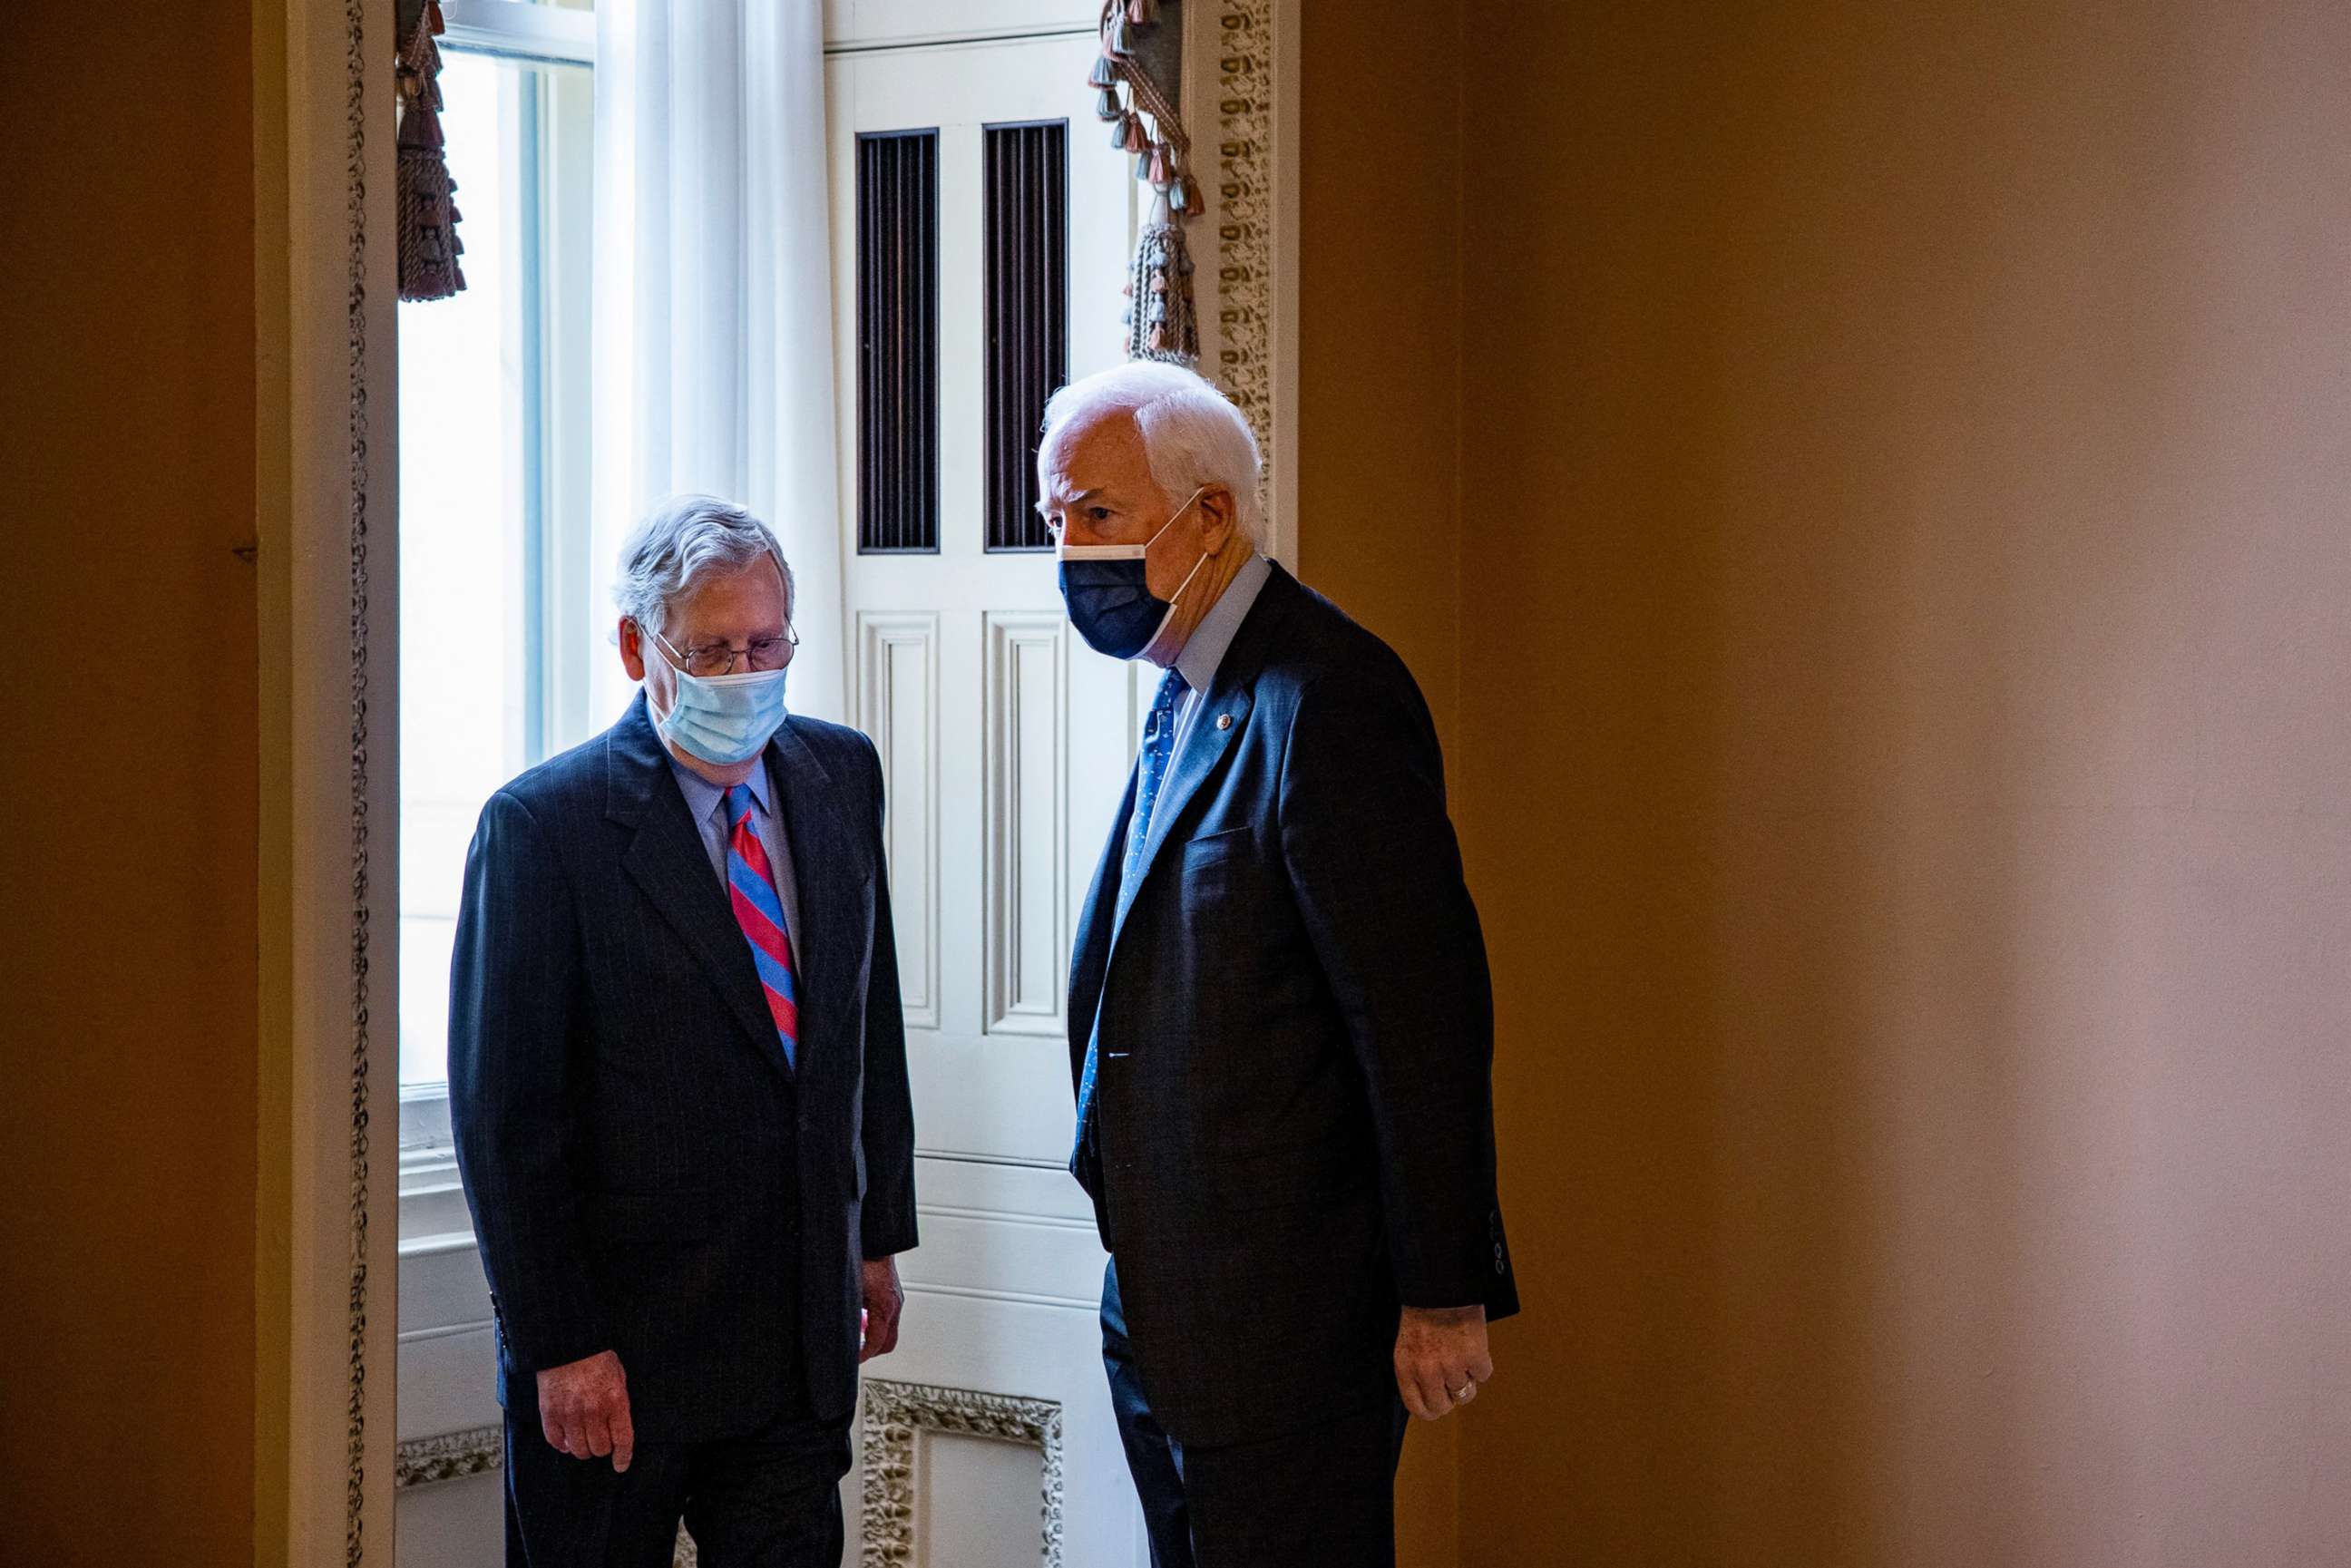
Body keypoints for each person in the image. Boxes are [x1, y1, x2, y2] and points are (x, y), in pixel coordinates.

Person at [1043, 363, 1519, 1566]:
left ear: (1212, 514)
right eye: (1056, 519)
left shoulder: (1329, 695)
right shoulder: (1186, 694)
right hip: (1163, 1313)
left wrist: (1444, 1288)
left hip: (1290, 1324)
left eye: (1098, 514)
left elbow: (1417, 1012)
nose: (1069, 551)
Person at [448, 494, 917, 1566]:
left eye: (766, 644)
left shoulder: (841, 774)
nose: (747, 674)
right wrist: (562, 1344)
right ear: (634, 646)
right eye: (711, 650)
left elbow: (863, 1015)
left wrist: (874, 1234)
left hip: (795, 1345)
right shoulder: (541, 828)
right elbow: (506, 1119)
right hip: (616, 1360)